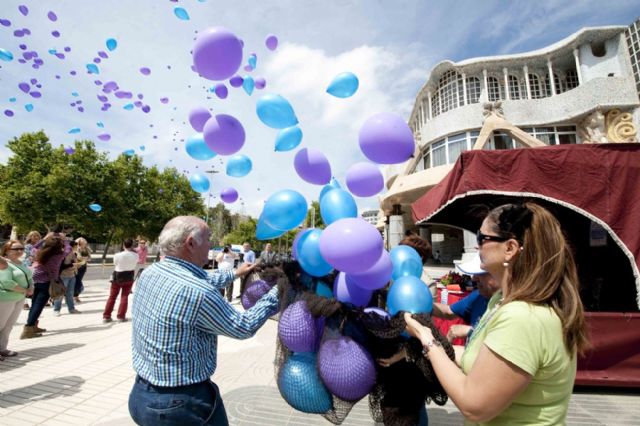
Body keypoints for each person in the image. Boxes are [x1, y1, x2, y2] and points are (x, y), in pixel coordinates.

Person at [404, 202, 589, 425]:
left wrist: (427, 339)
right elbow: (478, 359)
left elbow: (474, 406)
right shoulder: (499, 301)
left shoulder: (522, 317)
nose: (477, 247)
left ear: (510, 248)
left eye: (482, 238)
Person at [128, 216, 278, 425]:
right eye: (208, 239)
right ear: (190, 243)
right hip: (179, 406)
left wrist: (236, 273)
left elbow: (202, 278)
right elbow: (243, 327)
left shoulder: (151, 272)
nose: (211, 245)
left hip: (142, 395)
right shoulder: (198, 292)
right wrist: (280, 291)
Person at [23, 233, 70, 339]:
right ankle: (28, 328)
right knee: (38, 305)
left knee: (35, 303)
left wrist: (44, 238)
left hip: (35, 280)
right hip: (47, 282)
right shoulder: (58, 256)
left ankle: (33, 325)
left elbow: (34, 247)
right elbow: (69, 248)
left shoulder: (39, 252)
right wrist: (64, 239)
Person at [0, 241, 32, 359]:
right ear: (7, 250)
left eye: (21, 248)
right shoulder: (4, 263)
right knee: (0, 324)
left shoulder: (21, 263)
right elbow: (7, 283)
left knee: (8, 325)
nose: (19, 251)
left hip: (19, 297)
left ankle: (2, 348)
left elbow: (28, 276)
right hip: (5, 298)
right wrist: (25, 290)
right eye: (16, 249)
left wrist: (31, 287)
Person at [103, 239, 138, 323]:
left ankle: (106, 316)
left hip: (118, 275)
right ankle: (121, 316)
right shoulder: (136, 255)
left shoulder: (117, 255)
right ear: (132, 245)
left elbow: (115, 264)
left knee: (112, 297)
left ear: (123, 245)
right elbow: (135, 264)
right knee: (124, 296)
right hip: (129, 275)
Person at [53, 240, 81, 316]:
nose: (77, 247)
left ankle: (71, 308)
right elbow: (61, 266)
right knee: (60, 293)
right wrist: (72, 264)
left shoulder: (74, 254)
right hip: (63, 276)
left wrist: (77, 265)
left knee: (70, 293)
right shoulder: (63, 254)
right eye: (76, 246)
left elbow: (74, 264)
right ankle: (56, 309)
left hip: (72, 275)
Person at [22, 231, 41, 310]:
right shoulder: (27, 246)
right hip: (29, 267)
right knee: (27, 284)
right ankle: (24, 302)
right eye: (33, 236)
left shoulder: (41, 245)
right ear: (30, 237)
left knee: (37, 284)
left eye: (37, 235)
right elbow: (26, 257)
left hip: (39, 266)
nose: (36, 237)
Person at [74, 237, 92, 304]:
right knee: (77, 282)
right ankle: (75, 296)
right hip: (77, 266)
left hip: (83, 267)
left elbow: (90, 258)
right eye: (82, 241)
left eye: (84, 241)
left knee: (79, 281)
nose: (84, 242)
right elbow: (78, 256)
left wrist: (85, 259)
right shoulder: (77, 248)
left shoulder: (87, 249)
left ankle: (75, 295)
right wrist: (85, 259)